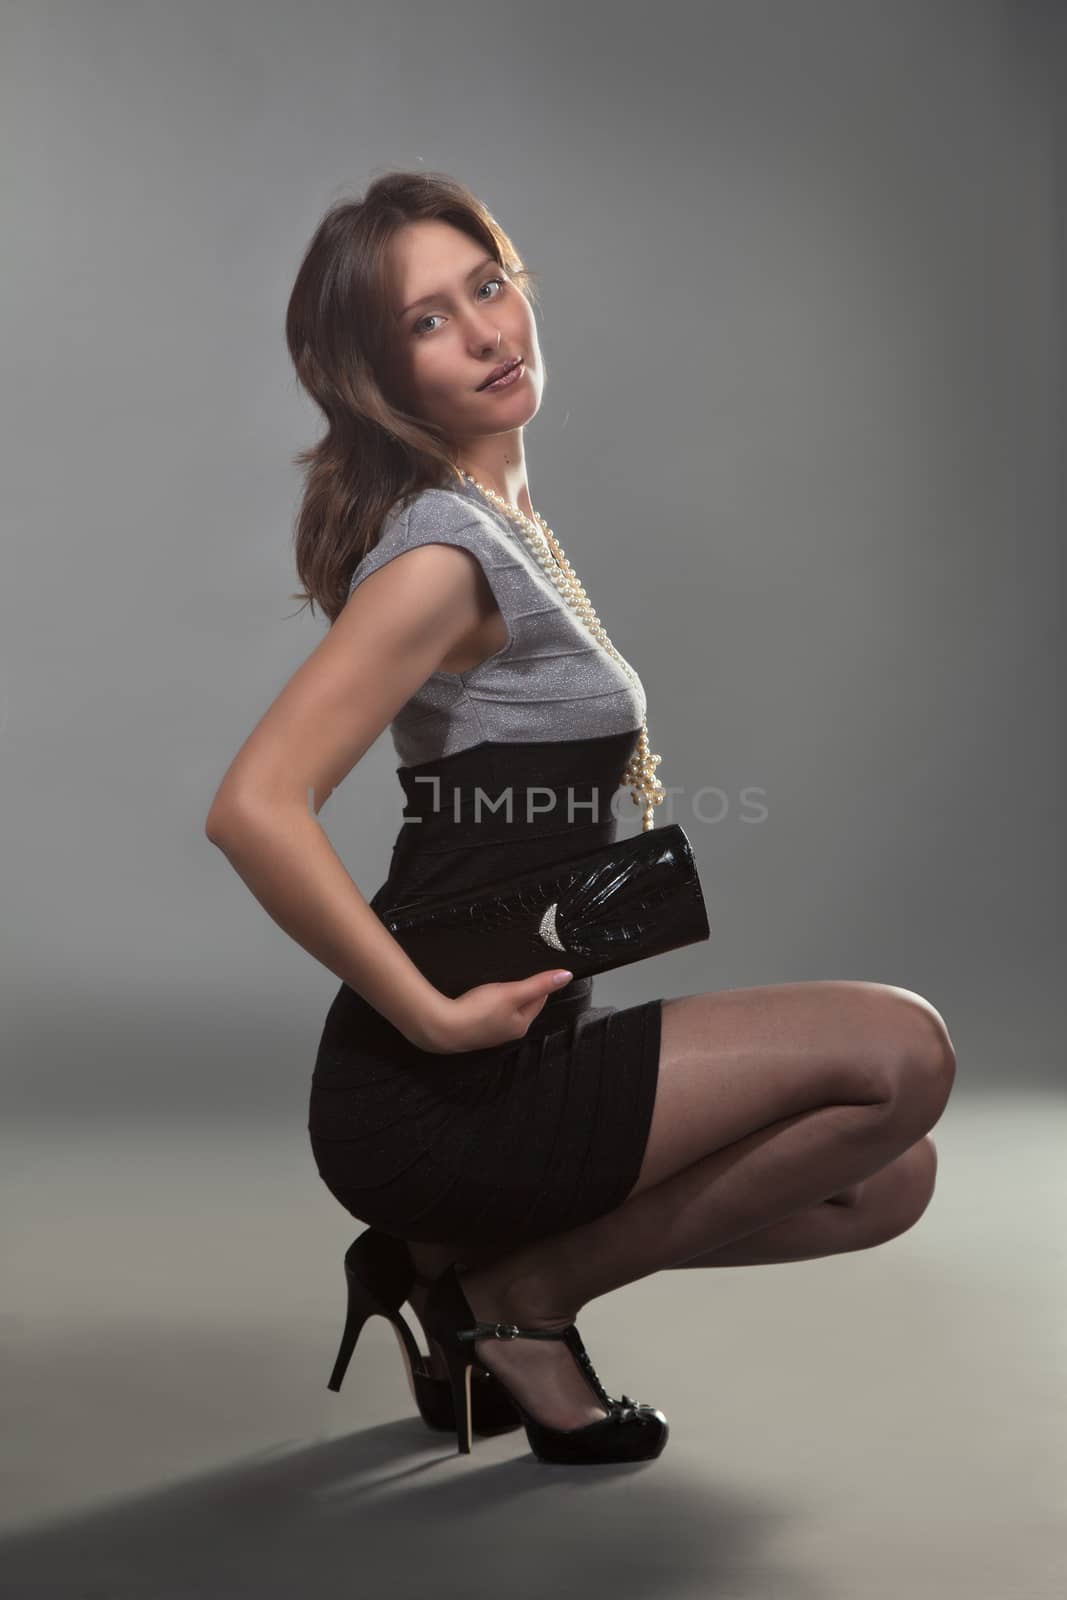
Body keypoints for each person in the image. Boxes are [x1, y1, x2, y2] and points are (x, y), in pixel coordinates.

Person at [205, 170, 956, 1460]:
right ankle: (520, 1299)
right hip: (436, 1089)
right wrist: (430, 1016)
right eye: (429, 321)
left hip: (520, 1052)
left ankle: (467, 1273)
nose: (489, 333)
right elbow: (255, 807)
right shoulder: (443, 554)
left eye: (488, 287)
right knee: (904, 1057)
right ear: (379, 373)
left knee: (886, 1178)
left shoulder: (505, 521)